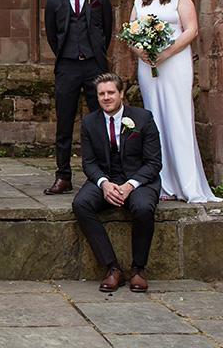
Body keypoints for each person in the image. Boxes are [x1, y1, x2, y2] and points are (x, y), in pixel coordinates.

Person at [130, 0, 222, 203]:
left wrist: (166, 52)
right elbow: (131, 33)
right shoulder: (141, 2)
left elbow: (191, 30)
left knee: (178, 118)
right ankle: (163, 184)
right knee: (155, 118)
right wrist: (142, 53)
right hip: (149, 67)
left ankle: (188, 184)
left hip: (175, 63)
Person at [72, 72, 162, 293]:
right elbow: (89, 163)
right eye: (101, 94)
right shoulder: (89, 122)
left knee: (143, 207)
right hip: (106, 179)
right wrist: (104, 183)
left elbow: (154, 162)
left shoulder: (143, 118)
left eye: (111, 92)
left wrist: (130, 185)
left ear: (121, 93)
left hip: (139, 180)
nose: (106, 97)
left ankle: (138, 269)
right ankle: (113, 268)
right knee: (81, 203)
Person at [43, 0, 113, 195]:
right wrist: (69, 54)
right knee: (64, 122)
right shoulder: (54, 0)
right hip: (67, 66)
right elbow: (52, 35)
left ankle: (104, 174)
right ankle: (63, 177)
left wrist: (95, 52)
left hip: (95, 65)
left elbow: (106, 28)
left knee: (102, 119)